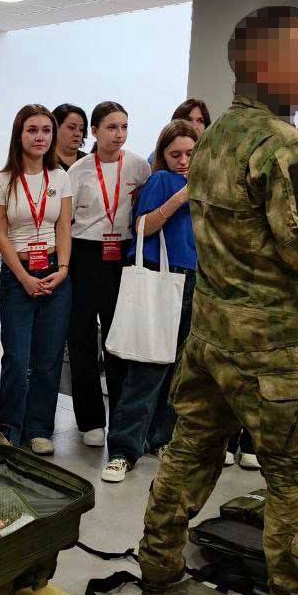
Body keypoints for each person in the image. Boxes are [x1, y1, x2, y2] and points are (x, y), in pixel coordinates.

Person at [138, 5, 298, 595]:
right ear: (268, 65)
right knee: (295, 474)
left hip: (211, 334)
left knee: (191, 448)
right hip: (274, 348)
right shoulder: (285, 143)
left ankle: (157, 562)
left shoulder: (211, 138)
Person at [103, 119, 198, 483]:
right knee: (147, 368)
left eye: (190, 153)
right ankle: (123, 450)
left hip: (193, 281)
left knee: (179, 372)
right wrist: (178, 199)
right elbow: (143, 228)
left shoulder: (207, 185)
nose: (183, 161)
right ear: (162, 155)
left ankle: (159, 439)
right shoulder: (162, 181)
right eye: (175, 154)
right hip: (161, 277)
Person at [0, 104, 73, 454]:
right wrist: (22, 276)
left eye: (46, 130)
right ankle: (7, 427)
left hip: (55, 271)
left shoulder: (60, 177)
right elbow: (0, 233)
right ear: (19, 135)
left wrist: (64, 269)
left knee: (48, 356)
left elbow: (63, 226)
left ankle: (39, 428)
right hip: (17, 274)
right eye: (32, 130)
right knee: (18, 356)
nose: (40, 137)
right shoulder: (2, 180)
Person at [66, 102, 151, 448]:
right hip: (85, 255)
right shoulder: (79, 170)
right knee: (83, 340)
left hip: (122, 258)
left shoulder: (139, 166)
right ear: (95, 132)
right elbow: (66, 221)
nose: (119, 134)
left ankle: (120, 417)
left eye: (124, 127)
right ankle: (89, 421)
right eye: (111, 127)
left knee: (118, 342)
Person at [52, 103, 88, 171]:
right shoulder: (42, 161)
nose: (77, 134)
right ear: (55, 128)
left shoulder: (91, 162)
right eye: (71, 128)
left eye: (81, 129)